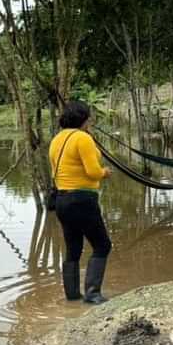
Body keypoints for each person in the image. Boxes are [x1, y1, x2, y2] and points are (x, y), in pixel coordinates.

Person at [50, 100, 112, 304]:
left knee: (73, 249)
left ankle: (72, 295)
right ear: (84, 119)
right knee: (102, 245)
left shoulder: (57, 139)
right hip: (82, 199)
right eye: (89, 117)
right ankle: (93, 293)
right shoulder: (83, 139)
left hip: (62, 200)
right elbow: (93, 172)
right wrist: (105, 172)